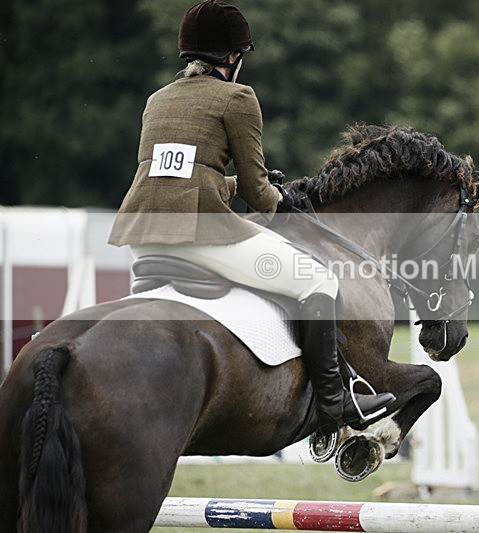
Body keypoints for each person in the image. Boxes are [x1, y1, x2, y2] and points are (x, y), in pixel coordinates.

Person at [108, 0, 394, 433]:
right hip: (198, 236)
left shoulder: (157, 100)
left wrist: (235, 186)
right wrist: (280, 196)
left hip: (142, 236)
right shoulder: (238, 97)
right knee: (317, 279)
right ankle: (336, 405)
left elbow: (180, 179)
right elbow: (261, 195)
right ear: (231, 58)